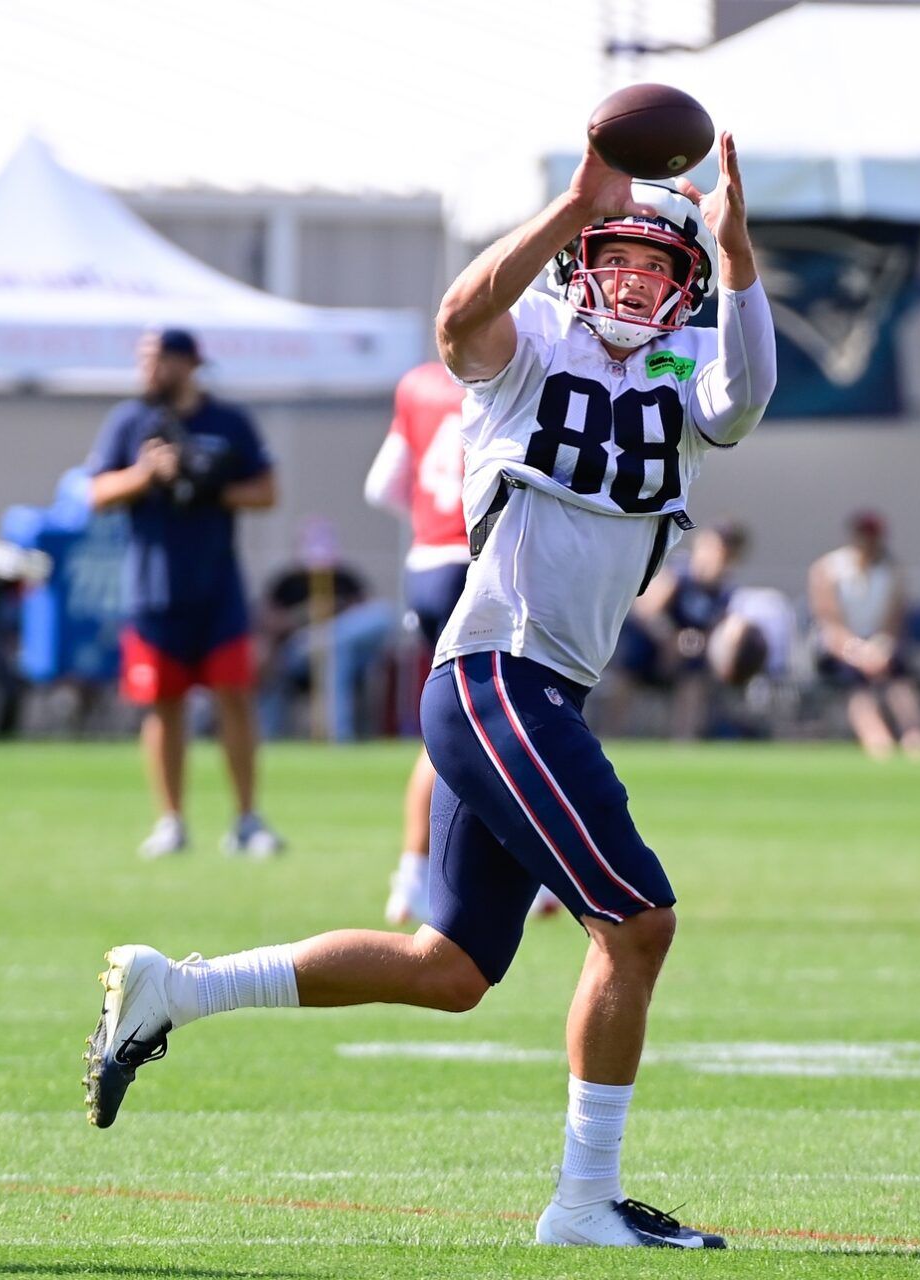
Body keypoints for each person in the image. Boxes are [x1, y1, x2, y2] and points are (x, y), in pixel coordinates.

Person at [83, 132, 772, 1250]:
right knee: (638, 924)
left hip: (539, 690)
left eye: (663, 264)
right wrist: (569, 203)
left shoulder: (691, 369)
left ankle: (176, 990)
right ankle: (584, 1199)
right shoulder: (533, 339)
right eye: (618, 255)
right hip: (500, 672)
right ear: (577, 259)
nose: (640, 278)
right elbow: (458, 319)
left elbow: (748, 397)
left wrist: (738, 254)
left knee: (449, 968)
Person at [87, 327, 284, 860]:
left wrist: (208, 483)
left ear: (187, 364)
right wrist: (147, 474)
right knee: (163, 705)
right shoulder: (129, 422)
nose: (146, 370)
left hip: (218, 587)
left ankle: (247, 819)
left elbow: (266, 491)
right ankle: (170, 821)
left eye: (156, 360)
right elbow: (97, 493)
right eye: (142, 359)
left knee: (234, 701)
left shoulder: (228, 422)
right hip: (153, 590)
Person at [363, 362, 470, 925]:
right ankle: (412, 872)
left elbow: (381, 486)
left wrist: (429, 516)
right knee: (472, 725)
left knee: (469, 722)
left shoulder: (420, 383)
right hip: (472, 564)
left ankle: (417, 873)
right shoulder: (518, 368)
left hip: (425, 563)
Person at [808, 511, 920, 759]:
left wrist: (879, 649)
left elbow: (892, 624)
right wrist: (859, 654)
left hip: (876, 646)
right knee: (856, 683)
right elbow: (831, 626)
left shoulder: (893, 573)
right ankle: (876, 738)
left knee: (898, 677)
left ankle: (914, 734)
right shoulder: (828, 570)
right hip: (839, 649)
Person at [615, 522, 750, 738]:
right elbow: (646, 612)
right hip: (654, 646)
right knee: (627, 667)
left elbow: (716, 631)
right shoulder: (678, 575)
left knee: (695, 678)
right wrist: (668, 639)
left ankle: (683, 739)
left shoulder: (724, 591)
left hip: (686, 655)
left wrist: (694, 644)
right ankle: (614, 733)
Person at [257, 556, 395, 742]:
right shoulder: (288, 582)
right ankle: (339, 736)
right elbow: (269, 623)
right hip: (298, 649)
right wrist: (305, 614)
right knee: (336, 647)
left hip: (341, 645)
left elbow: (365, 612)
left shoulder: (343, 577)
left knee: (376, 618)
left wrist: (334, 613)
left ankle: (339, 735)